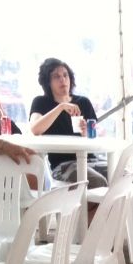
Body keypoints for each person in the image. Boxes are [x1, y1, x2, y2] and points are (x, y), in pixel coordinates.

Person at [29, 58, 107, 187]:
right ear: (48, 82)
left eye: (65, 75)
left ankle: (108, 208)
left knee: (127, 177)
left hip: (91, 159)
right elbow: (35, 129)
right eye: (56, 77)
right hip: (64, 165)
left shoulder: (83, 102)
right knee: (98, 182)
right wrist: (61, 107)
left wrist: (85, 132)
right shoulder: (41, 102)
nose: (62, 80)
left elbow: (92, 136)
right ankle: (95, 207)